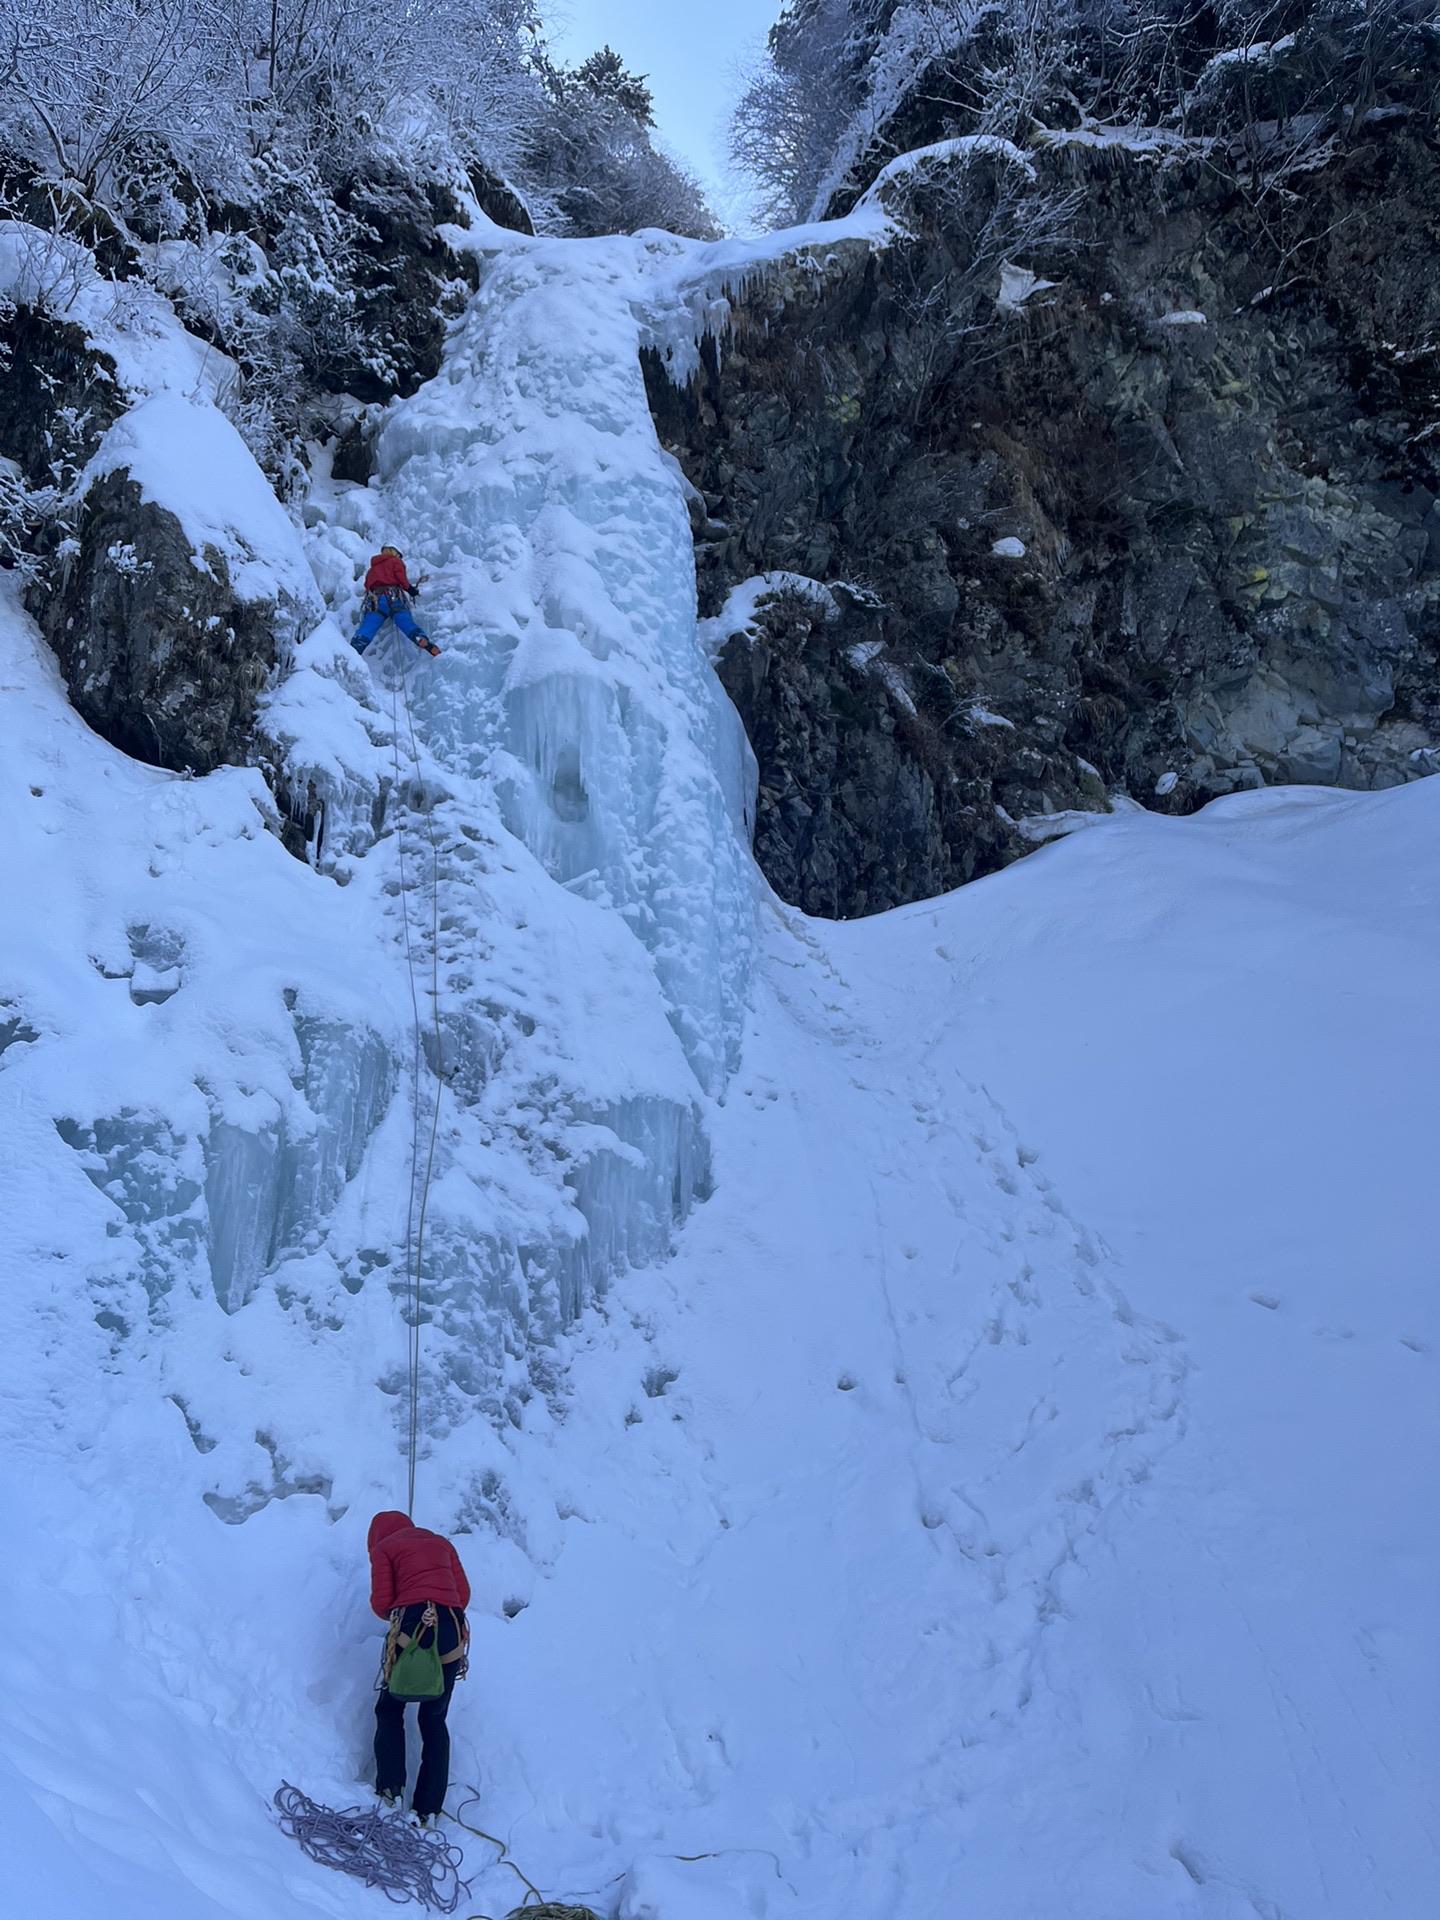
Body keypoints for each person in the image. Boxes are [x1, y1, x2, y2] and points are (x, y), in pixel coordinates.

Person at [368, 1511, 471, 1826]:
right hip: (451, 1629)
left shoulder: (384, 1549)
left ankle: (390, 1788)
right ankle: (428, 1809)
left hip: (411, 1626)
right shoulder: (441, 1543)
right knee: (434, 1719)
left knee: (389, 1709)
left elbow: (381, 1604)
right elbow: (462, 1595)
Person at [352, 546, 441, 658]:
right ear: (394, 552)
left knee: (369, 626)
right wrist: (411, 590)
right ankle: (419, 637)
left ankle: (355, 648)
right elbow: (401, 579)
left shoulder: (372, 569)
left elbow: (367, 586)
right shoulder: (395, 562)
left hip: (375, 601)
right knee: (404, 621)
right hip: (393, 597)